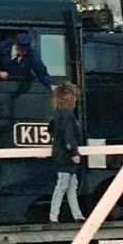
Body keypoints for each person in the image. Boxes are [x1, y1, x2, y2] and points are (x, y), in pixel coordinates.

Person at [48, 82, 86, 222]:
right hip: (65, 155)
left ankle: (77, 215)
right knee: (63, 185)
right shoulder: (66, 114)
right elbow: (68, 135)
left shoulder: (58, 113)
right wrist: (74, 152)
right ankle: (53, 215)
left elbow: (51, 128)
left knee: (70, 186)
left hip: (61, 154)